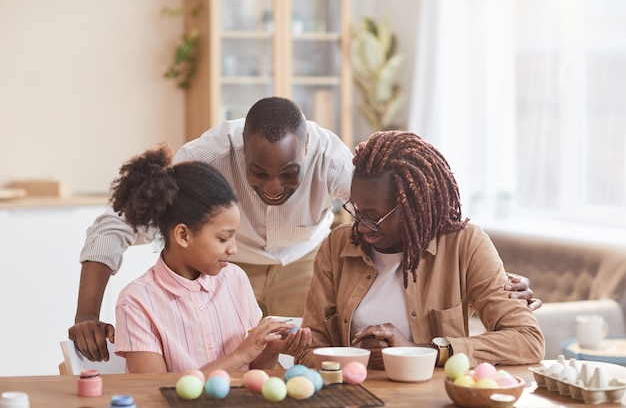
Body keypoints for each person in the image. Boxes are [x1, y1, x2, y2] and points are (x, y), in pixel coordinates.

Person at [69, 97, 539, 362]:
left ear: (308, 152)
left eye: (289, 173)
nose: (274, 188)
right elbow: (117, 221)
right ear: (240, 154)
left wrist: (491, 282)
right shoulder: (209, 158)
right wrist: (87, 314)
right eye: (258, 173)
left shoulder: (334, 162)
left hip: (301, 261)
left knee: (283, 358)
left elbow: (414, 208)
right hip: (231, 265)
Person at [295, 131, 545, 370]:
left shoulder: (464, 245)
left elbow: (527, 340)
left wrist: (421, 351)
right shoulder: (337, 247)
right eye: (356, 211)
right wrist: (356, 357)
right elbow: (308, 351)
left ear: (412, 207)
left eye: (373, 217)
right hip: (353, 396)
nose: (360, 226)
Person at [109, 144, 311, 373]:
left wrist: (268, 349)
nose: (233, 249)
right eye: (223, 238)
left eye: (235, 236)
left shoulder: (235, 279)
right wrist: (242, 353)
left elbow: (255, 369)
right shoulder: (137, 302)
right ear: (183, 235)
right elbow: (156, 392)